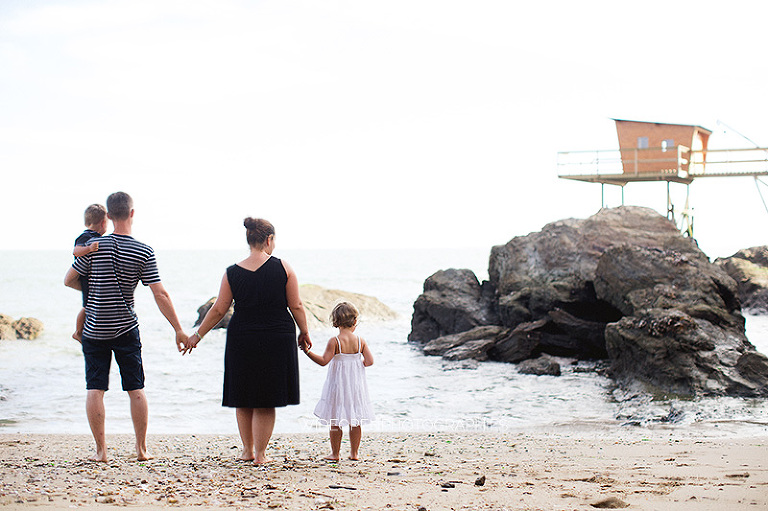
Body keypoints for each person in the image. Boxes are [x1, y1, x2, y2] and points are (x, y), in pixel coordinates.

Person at [64, 191, 187, 462]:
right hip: (125, 327)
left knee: (95, 388)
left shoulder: (94, 246)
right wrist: (178, 329)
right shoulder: (143, 250)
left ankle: (101, 451)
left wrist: (94, 291)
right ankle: (141, 450)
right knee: (136, 388)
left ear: (108, 215)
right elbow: (160, 293)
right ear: (132, 213)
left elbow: (69, 279)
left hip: (94, 328)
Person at [184, 217, 311, 465]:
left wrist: (197, 335)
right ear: (269, 240)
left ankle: (247, 450)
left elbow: (219, 310)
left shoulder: (232, 272)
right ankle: (261, 455)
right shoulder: (284, 267)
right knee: (266, 398)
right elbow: (295, 304)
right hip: (277, 336)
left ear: (248, 239)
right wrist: (304, 331)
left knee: (243, 394)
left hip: (242, 336)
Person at [302, 301, 374, 461]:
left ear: (335, 322)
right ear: (355, 321)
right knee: (355, 420)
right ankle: (354, 454)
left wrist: (307, 353)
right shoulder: (360, 341)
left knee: (335, 419)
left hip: (338, 385)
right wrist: (357, 366)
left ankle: (335, 454)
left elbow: (323, 361)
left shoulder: (334, 341)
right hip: (355, 385)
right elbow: (369, 361)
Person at [72, 204, 109, 342]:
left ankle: (83, 330)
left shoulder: (92, 236)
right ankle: (78, 332)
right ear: (103, 223)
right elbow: (76, 251)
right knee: (87, 306)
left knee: (89, 306)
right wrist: (89, 249)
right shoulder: (86, 236)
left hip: (90, 275)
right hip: (85, 276)